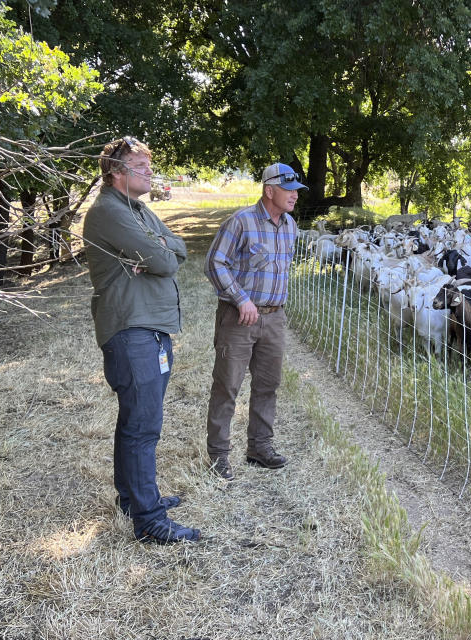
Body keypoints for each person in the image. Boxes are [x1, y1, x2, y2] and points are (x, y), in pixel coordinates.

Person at [83, 136, 200, 544]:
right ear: (116, 171)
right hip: (131, 331)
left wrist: (157, 248)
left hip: (148, 328)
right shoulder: (109, 212)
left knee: (137, 422)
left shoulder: (138, 210)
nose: (150, 172)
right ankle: (148, 520)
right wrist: (157, 252)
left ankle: (133, 499)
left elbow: (177, 250)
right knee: (142, 426)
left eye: (149, 165)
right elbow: (166, 262)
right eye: (140, 165)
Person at [204, 163, 306, 480]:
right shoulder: (241, 222)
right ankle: (218, 456)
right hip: (239, 318)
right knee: (227, 386)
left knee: (268, 385)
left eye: (296, 191)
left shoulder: (290, 226)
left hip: (274, 318)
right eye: (288, 189)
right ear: (269, 190)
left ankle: (259, 447)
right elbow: (214, 263)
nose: (294, 196)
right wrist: (240, 298)